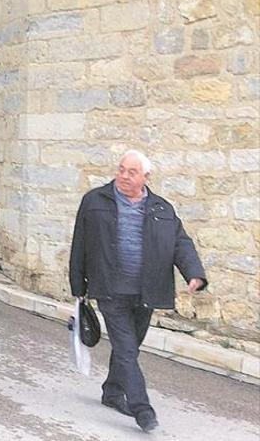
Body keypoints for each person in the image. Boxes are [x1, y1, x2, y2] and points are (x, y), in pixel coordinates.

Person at [69, 150, 206, 433]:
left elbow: (180, 243)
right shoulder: (95, 201)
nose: (124, 176)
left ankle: (112, 391)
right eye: (121, 170)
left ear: (146, 177)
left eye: (132, 172)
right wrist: (78, 288)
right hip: (110, 289)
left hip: (146, 292)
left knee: (130, 347)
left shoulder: (162, 209)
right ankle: (142, 409)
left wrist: (194, 273)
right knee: (127, 349)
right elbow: (80, 244)